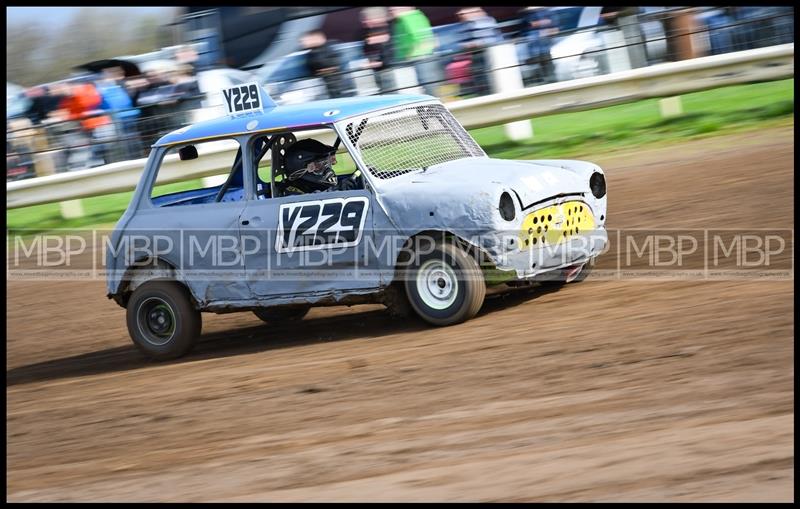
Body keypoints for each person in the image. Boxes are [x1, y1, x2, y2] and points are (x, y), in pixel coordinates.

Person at [388, 7, 440, 95]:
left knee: (427, 88)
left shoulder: (410, 17)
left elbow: (422, 39)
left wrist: (409, 54)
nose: (391, 10)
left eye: (394, 8)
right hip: (406, 61)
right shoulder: (398, 20)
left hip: (419, 58)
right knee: (410, 91)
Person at [281, 139, 361, 196]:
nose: (328, 170)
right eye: (320, 165)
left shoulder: (320, 187)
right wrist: (337, 190)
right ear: (300, 171)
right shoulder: (291, 193)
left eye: (328, 162)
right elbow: (311, 202)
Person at [301, 30, 344, 99]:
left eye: (306, 40)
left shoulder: (328, 48)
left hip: (332, 83)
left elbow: (334, 64)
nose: (303, 42)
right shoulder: (311, 52)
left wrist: (320, 71)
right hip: (322, 85)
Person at [521, 6, 559, 83]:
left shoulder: (545, 11)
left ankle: (551, 83)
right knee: (543, 71)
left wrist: (541, 26)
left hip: (545, 48)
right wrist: (545, 23)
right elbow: (530, 25)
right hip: (535, 49)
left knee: (548, 70)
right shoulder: (528, 14)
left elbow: (555, 28)